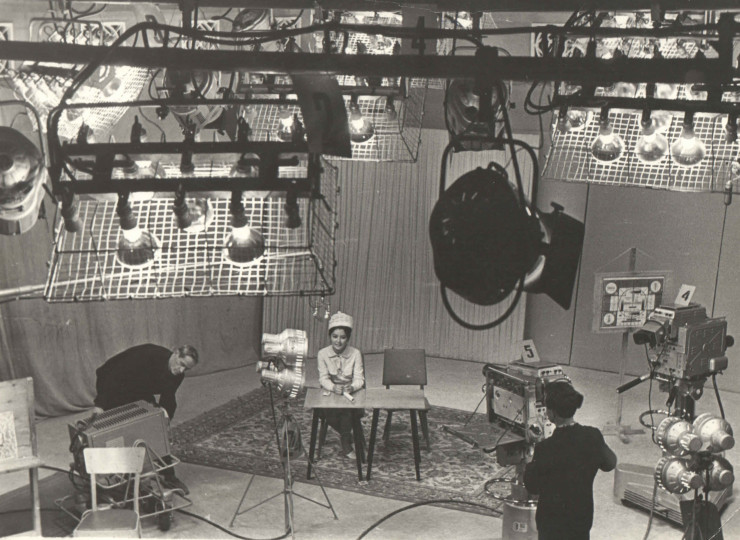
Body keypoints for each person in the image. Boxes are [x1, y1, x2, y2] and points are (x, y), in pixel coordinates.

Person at [91, 343, 199, 493]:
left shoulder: (178, 375)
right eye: (181, 364)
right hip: (114, 383)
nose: (181, 370)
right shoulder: (148, 356)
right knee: (121, 432)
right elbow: (113, 375)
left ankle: (168, 476)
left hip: (138, 389)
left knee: (155, 427)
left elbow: (168, 397)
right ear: (175, 353)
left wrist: (164, 420)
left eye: (186, 369)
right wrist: (100, 404)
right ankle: (123, 479)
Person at [523, 380, 617, 540]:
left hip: (551, 525)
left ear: (552, 413)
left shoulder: (545, 448)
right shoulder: (593, 436)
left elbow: (532, 486)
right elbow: (610, 464)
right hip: (581, 519)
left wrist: (531, 451)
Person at [317, 311, 364, 459]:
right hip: (331, 391)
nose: (338, 341)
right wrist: (333, 387)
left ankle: (345, 440)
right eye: (334, 336)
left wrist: (352, 387)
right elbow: (323, 379)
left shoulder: (356, 353)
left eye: (343, 337)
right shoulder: (322, 354)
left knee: (347, 410)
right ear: (330, 336)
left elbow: (360, 379)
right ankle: (347, 438)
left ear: (348, 338)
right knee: (332, 411)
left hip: (350, 393)